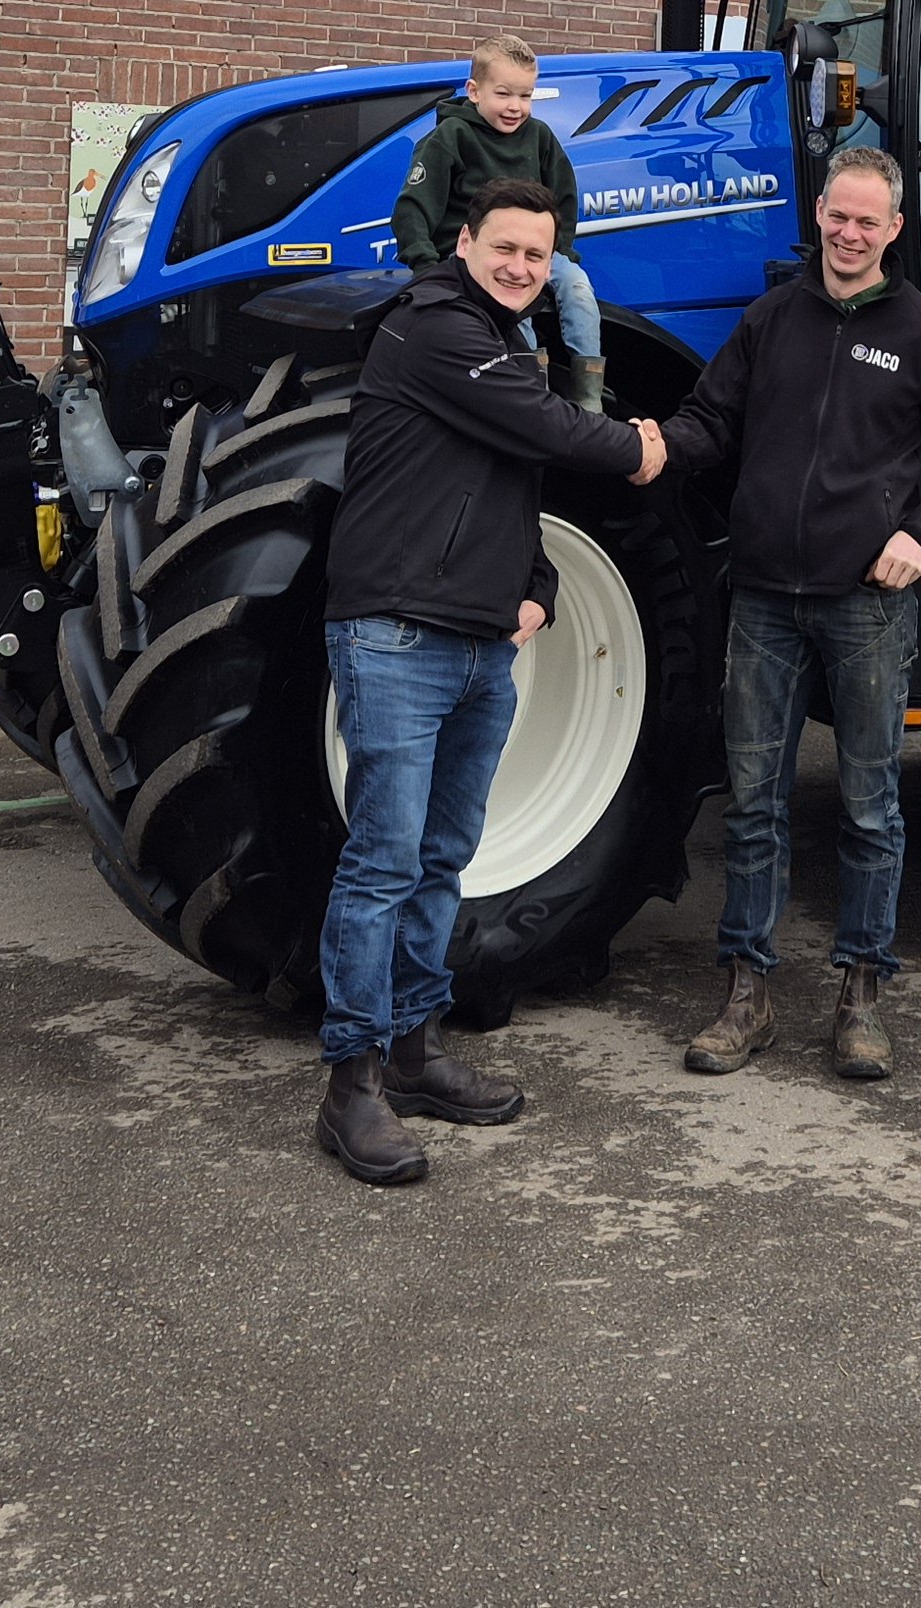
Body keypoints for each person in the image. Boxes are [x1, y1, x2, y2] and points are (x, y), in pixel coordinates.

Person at [314, 176, 666, 1184]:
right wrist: (643, 445)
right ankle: (350, 1085)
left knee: (441, 860)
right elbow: (555, 432)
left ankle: (415, 1051)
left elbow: (512, 483)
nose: (519, 266)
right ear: (463, 243)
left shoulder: (506, 341)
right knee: (382, 863)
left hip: (480, 646)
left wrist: (539, 589)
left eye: (535, 255)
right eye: (503, 247)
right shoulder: (435, 326)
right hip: (396, 635)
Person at [660, 145, 921, 1081]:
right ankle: (748, 993)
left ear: (896, 228)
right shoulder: (770, 320)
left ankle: (861, 993)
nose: (850, 234)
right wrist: (647, 445)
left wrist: (920, 533)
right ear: (819, 216)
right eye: (838, 217)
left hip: (867, 605)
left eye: (867, 221)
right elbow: (709, 421)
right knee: (753, 803)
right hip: (765, 597)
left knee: (869, 807)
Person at [393, 35, 607, 411]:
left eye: (525, 96)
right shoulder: (450, 138)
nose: (515, 107)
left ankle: (589, 396)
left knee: (577, 286)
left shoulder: (539, 137)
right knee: (512, 302)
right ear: (474, 91)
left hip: (534, 250)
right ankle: (532, 393)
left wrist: (560, 252)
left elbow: (564, 196)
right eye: (504, 94)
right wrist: (426, 267)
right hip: (476, 257)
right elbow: (412, 207)